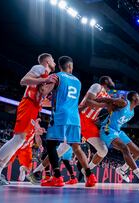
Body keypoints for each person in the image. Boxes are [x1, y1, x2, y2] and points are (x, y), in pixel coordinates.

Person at [0, 53, 56, 185]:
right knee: (18, 139)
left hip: (34, 107)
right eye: (52, 60)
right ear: (47, 61)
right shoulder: (40, 68)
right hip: (28, 104)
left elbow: (42, 98)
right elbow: (24, 80)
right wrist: (44, 80)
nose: (53, 62)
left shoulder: (45, 76)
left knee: (19, 142)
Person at [39, 56, 97, 187]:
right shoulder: (78, 81)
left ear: (60, 66)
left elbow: (44, 91)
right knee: (76, 147)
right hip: (74, 117)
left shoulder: (57, 76)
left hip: (61, 115)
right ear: (70, 66)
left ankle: (57, 177)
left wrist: (42, 82)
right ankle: (90, 176)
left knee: (51, 144)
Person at [99, 91, 139, 187]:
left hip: (118, 131)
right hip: (108, 128)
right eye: (138, 97)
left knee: (138, 152)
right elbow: (109, 100)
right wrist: (92, 100)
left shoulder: (132, 113)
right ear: (134, 98)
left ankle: (122, 169)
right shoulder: (124, 103)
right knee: (125, 148)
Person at [78, 76, 115, 171]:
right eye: (111, 80)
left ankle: (86, 171)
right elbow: (89, 101)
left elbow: (112, 108)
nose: (113, 81)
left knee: (103, 150)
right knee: (64, 147)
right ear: (106, 81)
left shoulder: (107, 96)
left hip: (90, 122)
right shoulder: (97, 86)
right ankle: (40, 170)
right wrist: (104, 105)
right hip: (80, 116)